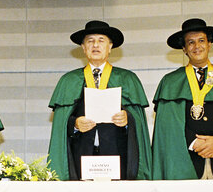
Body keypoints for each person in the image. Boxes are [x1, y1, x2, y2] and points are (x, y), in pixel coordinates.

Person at [48, 20, 151, 180]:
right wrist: (75, 124)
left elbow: (138, 123)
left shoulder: (127, 79)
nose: (95, 45)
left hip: (118, 156)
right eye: (90, 41)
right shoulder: (69, 80)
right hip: (81, 158)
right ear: (83, 48)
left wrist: (127, 119)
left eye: (101, 40)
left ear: (110, 47)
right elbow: (61, 124)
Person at [151, 18, 213, 180]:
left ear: (209, 44)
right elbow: (167, 125)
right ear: (184, 49)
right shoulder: (170, 82)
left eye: (201, 41)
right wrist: (194, 143)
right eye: (191, 42)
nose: (197, 46)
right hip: (186, 162)